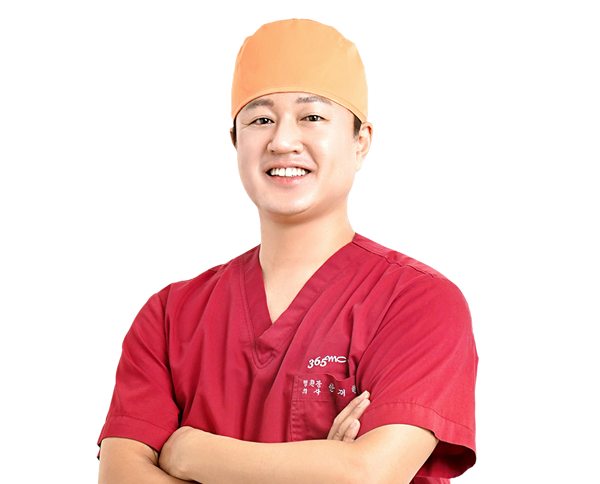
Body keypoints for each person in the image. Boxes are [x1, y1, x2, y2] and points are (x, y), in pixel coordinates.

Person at [98, 19, 477, 484]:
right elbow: (119, 476)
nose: (281, 141)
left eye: (311, 117)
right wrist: (317, 469)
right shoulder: (169, 317)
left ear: (360, 142)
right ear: (236, 141)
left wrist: (189, 452)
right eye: (260, 119)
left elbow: (367, 473)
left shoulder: (418, 303)